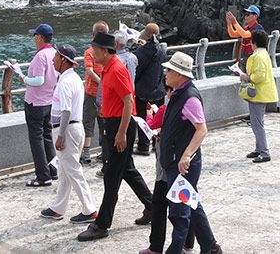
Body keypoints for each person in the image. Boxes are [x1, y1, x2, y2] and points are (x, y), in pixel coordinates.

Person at [77, 31, 152, 241]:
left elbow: (129, 101)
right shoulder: (108, 67)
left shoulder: (117, 69)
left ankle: (102, 224)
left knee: (111, 176)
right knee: (127, 170)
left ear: (104, 51)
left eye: (95, 49)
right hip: (113, 124)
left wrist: (121, 133)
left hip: (121, 126)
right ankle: (153, 205)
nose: (92, 52)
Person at [147, 52, 222, 254]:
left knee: (180, 214)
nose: (166, 73)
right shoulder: (179, 94)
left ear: (180, 74)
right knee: (192, 205)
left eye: (169, 70)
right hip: (176, 161)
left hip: (182, 165)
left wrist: (186, 155)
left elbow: (202, 129)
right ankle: (210, 247)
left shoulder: (189, 98)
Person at [43, 44, 98, 223]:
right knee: (66, 170)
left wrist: (61, 135)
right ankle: (58, 207)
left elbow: (65, 111)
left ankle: (89, 209)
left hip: (66, 129)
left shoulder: (65, 82)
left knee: (72, 169)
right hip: (74, 128)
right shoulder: (73, 79)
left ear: (63, 60)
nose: (53, 60)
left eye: (56, 57)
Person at [12, 23, 58, 187]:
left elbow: (39, 80)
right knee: (47, 136)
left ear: (39, 37)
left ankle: (42, 176)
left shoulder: (40, 56)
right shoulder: (54, 53)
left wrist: (23, 78)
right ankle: (53, 170)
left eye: (34, 35)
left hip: (36, 102)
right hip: (49, 101)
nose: (33, 38)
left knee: (36, 139)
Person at [238, 28, 277, 162]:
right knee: (257, 122)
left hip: (258, 95)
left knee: (257, 124)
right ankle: (259, 148)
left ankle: (265, 152)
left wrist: (246, 77)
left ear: (253, 43)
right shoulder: (263, 54)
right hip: (262, 93)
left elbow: (259, 76)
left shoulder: (257, 56)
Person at [131, 24, 167, 157]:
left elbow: (136, 68)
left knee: (142, 118)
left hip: (144, 90)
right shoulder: (163, 49)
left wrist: (135, 47)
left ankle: (143, 146)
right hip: (159, 89)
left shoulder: (142, 51)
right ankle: (156, 142)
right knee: (158, 117)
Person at [81, 21, 109, 166]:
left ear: (93, 35)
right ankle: (104, 152)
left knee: (88, 122)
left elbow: (89, 70)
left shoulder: (89, 52)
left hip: (92, 92)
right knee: (103, 122)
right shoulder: (108, 51)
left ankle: (86, 154)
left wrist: (100, 82)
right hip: (106, 94)